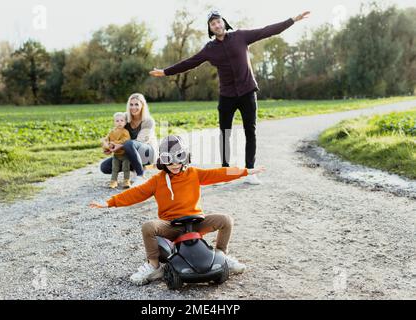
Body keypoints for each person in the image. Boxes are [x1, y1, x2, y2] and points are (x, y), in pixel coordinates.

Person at [150, 10, 310, 185]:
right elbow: (189, 62)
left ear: (224, 23)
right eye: (213, 24)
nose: (217, 25)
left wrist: (293, 20)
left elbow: (267, 30)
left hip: (247, 92)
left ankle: (250, 171)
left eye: (218, 22)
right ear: (210, 28)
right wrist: (165, 71)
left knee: (251, 132)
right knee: (225, 133)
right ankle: (224, 172)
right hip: (227, 96)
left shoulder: (241, 36)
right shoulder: (209, 49)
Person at [90, 135, 266, 285]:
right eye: (169, 160)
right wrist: (109, 202)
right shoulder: (157, 180)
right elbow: (136, 193)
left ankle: (221, 256)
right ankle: (154, 267)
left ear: (185, 157)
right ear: (162, 161)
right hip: (171, 226)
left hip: (196, 222)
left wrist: (246, 171)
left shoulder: (194, 174)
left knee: (225, 220)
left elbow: (220, 172)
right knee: (148, 227)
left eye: (178, 158)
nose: (174, 164)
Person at [100, 93, 158, 187]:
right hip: (130, 151)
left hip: (147, 153)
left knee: (128, 144)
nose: (133, 107)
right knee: (105, 167)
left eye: (136, 104)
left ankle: (140, 175)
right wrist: (109, 146)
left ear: (142, 105)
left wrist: (121, 146)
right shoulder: (125, 118)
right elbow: (115, 134)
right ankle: (135, 168)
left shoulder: (148, 121)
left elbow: (141, 141)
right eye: (131, 104)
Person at [101, 112, 131, 189]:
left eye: (122, 120)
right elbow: (106, 139)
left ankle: (126, 180)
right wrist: (106, 146)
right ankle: (113, 181)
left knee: (125, 167)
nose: (119, 122)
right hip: (116, 155)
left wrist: (114, 143)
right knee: (115, 168)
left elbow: (125, 140)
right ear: (114, 122)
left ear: (125, 122)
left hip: (125, 155)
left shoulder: (125, 132)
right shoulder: (112, 132)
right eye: (117, 121)